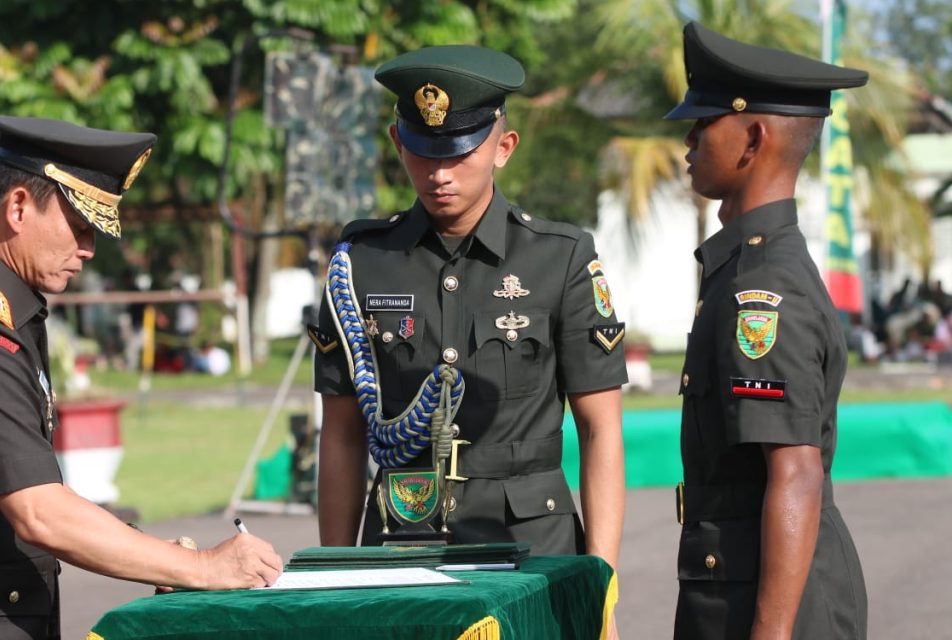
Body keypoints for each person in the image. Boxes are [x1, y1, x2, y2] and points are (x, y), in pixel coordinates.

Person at [0, 114, 281, 640]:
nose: (89, 249)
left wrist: (157, 556)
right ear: (18, 207)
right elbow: (39, 511)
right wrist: (202, 568)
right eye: (79, 227)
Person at [311, 43, 628, 627]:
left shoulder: (560, 259)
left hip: (533, 552)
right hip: (402, 546)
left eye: (459, 153)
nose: (439, 174)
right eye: (424, 152)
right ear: (397, 142)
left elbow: (600, 428)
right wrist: (337, 574)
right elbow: (342, 435)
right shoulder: (360, 264)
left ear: (503, 147)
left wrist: (599, 582)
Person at [664, 23, 868, 639]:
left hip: (770, 605)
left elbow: (795, 472)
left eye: (704, 124)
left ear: (753, 138)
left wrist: (771, 634)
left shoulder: (763, 289)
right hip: (742, 585)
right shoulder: (742, 268)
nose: (690, 141)